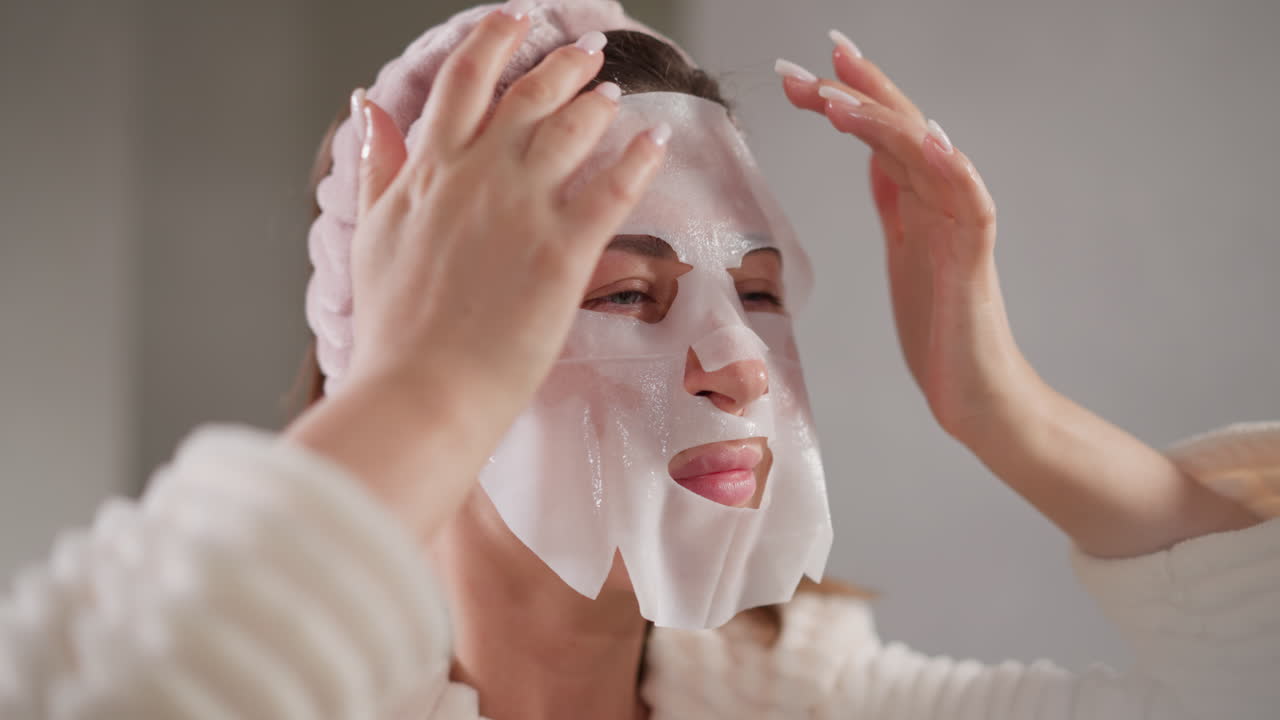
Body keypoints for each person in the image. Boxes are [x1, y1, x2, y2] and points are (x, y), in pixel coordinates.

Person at [4, 0, 1279, 718]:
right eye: (623, 290)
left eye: (763, 293)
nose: (740, 365)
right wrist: (421, 387)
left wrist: (1000, 408)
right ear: (398, 334)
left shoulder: (802, 703)